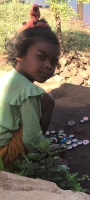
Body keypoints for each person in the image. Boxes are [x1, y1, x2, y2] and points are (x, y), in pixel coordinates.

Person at [0, 4, 61, 168]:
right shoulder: (29, 91)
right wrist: (45, 150)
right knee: (48, 101)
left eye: (53, 62)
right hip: (4, 156)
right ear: (19, 54)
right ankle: (37, 156)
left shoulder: (6, 78)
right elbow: (31, 139)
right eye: (41, 57)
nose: (49, 66)